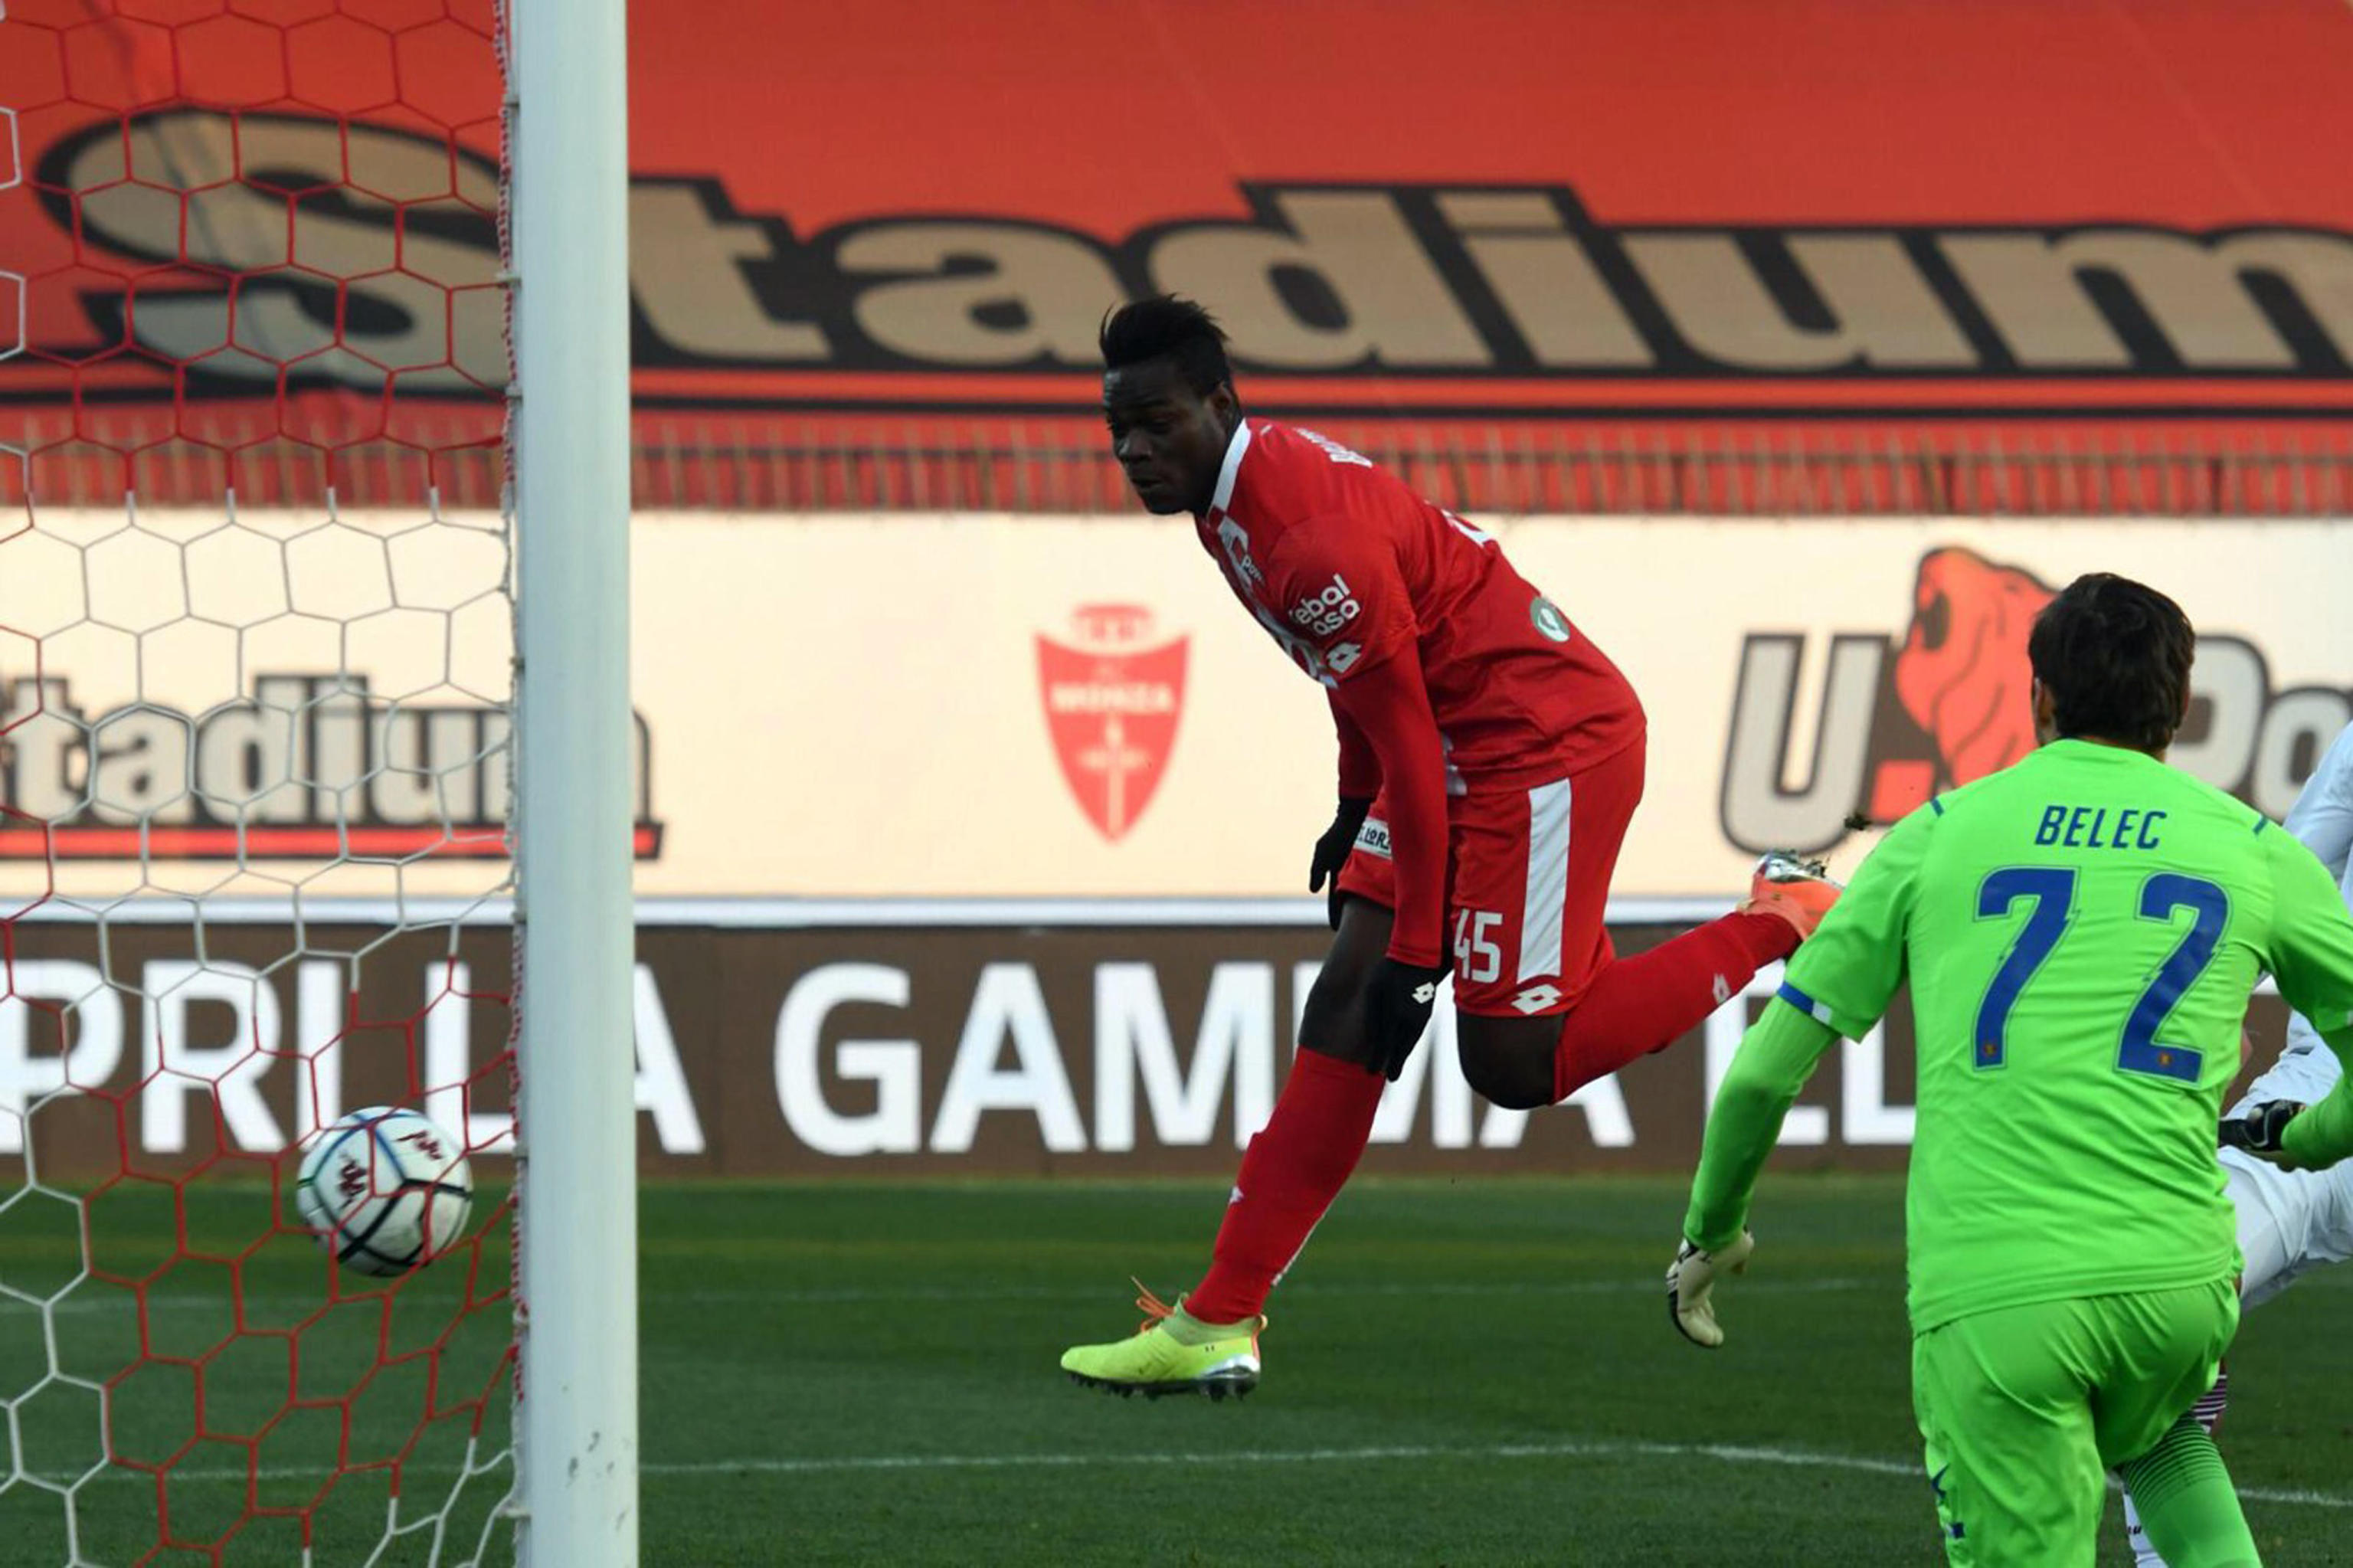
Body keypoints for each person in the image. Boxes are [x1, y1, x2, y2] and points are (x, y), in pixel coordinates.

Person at [1059, 295, 1840, 1399]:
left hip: (1539, 742)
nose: (1136, 452)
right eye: (1118, 432)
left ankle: (1782, 916)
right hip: (1453, 738)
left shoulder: (1297, 535)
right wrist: (1350, 799)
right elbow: (1364, 686)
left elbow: (1416, 751)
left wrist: (1423, 948)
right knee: (1344, 1007)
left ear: (1221, 407)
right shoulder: (1229, 497)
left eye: (1156, 424)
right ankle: (1219, 1318)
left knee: (1514, 1062)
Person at [1667, 571, 2353, 1566]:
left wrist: (1712, 1231)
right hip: (2177, 1285)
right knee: (2160, 1440)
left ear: (2039, 697)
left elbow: (1762, 1078)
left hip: (2001, 1291)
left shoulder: (1937, 835)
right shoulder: (2250, 849)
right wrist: (2310, 1133)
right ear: (2181, 707)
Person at [2122, 719, 2353, 1566]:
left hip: (2317, 1095)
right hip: (2312, 1094)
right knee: (2156, 1287)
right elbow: (2287, 875)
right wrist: (2205, 1020)